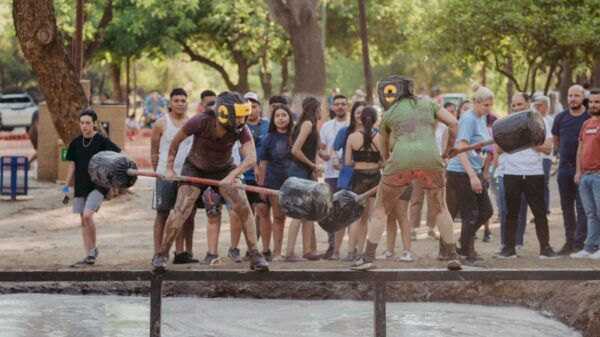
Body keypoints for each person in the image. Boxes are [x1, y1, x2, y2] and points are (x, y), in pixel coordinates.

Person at [350, 75, 460, 270]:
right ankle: (453, 255)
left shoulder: (390, 112)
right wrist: (448, 150)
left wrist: (386, 162)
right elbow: (453, 123)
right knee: (440, 207)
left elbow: (384, 148)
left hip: (400, 161)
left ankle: (367, 258)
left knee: (381, 209)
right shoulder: (430, 104)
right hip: (431, 160)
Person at [151, 91, 269, 272]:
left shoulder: (241, 129)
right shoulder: (199, 121)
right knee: (181, 208)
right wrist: (169, 168)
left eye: (243, 117)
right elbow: (176, 142)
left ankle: (255, 255)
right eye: (237, 117)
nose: (241, 121)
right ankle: (162, 254)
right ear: (223, 114)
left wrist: (232, 176)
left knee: (243, 204)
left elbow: (251, 158)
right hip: (195, 167)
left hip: (225, 168)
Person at [495, 94, 558, 259]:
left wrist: (528, 138)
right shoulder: (506, 123)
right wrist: (515, 137)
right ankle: (509, 249)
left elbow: (547, 148)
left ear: (528, 103)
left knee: (539, 212)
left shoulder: (540, 121)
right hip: (511, 173)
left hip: (533, 173)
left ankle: (545, 249)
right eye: (514, 104)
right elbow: (499, 149)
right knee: (511, 213)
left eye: (520, 104)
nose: (516, 108)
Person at [64, 108, 122, 266]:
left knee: (88, 215)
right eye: (82, 123)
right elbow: (72, 165)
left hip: (98, 185)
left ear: (94, 124)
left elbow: (119, 154)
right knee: (83, 220)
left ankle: (93, 249)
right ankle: (89, 254)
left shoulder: (102, 140)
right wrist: (66, 186)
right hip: (80, 185)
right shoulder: (75, 143)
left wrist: (119, 173)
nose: (85, 126)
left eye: (88, 123)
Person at [445, 84, 495, 266]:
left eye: (491, 105)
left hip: (474, 171)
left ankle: (464, 244)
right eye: (486, 105)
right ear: (475, 103)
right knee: (470, 213)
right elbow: (461, 150)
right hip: (461, 172)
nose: (489, 109)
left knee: (486, 210)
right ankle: (466, 253)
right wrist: (473, 177)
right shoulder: (468, 119)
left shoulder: (481, 118)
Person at [150, 88, 197, 264]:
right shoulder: (161, 124)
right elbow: (154, 151)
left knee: (182, 214)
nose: (179, 103)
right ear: (170, 103)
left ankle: (180, 253)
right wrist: (159, 172)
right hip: (165, 174)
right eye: (176, 100)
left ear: (187, 103)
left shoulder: (193, 124)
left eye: (183, 100)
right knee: (162, 213)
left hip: (186, 176)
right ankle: (158, 253)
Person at [285, 96, 323, 262]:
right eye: (321, 108)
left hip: (306, 171)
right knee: (299, 214)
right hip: (299, 170)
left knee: (308, 214)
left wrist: (314, 166)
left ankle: (307, 250)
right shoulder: (307, 124)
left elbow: (309, 149)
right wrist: (312, 165)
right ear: (316, 109)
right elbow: (295, 150)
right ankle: (289, 253)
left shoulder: (309, 124)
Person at [552, 85, 589, 255]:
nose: (573, 98)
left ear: (583, 97)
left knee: (582, 208)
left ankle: (580, 243)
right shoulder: (560, 117)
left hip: (583, 170)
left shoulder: (589, 117)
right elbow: (556, 139)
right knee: (566, 207)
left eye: (576, 95)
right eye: (570, 95)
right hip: (564, 170)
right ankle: (569, 241)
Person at [331, 101, 367, 260]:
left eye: (363, 113)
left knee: (361, 217)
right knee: (343, 217)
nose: (360, 116)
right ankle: (336, 251)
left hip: (365, 179)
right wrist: (334, 159)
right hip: (346, 178)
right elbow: (334, 149)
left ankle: (357, 252)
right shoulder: (344, 132)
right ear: (353, 114)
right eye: (357, 112)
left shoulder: (374, 132)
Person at [258, 104, 294, 261]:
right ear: (273, 119)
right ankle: (273, 252)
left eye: (284, 115)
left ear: (289, 117)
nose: (281, 118)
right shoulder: (269, 138)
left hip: (293, 183)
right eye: (277, 115)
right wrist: (261, 186)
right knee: (277, 216)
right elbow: (263, 163)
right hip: (273, 181)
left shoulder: (295, 136)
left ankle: (279, 251)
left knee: (284, 217)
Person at [319, 94, 350, 259]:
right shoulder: (326, 126)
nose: (340, 107)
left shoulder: (353, 125)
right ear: (332, 107)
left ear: (347, 106)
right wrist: (323, 154)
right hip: (331, 173)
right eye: (337, 104)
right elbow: (322, 148)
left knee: (350, 209)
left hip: (350, 174)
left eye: (343, 104)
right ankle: (332, 246)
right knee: (330, 210)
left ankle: (353, 248)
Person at [571, 88, 600, 259]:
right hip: (585, 176)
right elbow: (580, 149)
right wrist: (578, 172)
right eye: (592, 102)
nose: (594, 105)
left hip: (598, 175)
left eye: (597, 102)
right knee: (590, 213)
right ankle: (590, 247)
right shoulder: (586, 124)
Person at [243, 92, 271, 260]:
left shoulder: (268, 125)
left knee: (263, 211)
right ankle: (251, 248)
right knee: (247, 213)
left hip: (264, 175)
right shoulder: (239, 126)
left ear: (259, 107)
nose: (251, 110)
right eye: (248, 107)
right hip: (243, 175)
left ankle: (266, 249)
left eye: (254, 106)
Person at [533, 95, 554, 216]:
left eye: (539, 105)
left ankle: (544, 210)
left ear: (546, 107)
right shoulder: (535, 119)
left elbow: (551, 140)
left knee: (543, 183)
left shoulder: (548, 120)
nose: (536, 107)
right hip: (537, 156)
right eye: (535, 105)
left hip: (545, 157)